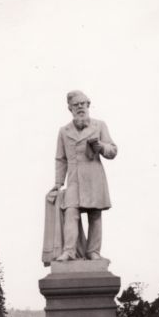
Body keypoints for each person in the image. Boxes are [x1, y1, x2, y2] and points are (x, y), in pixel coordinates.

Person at [49, 90, 117, 261]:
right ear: (70, 108)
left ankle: (93, 251)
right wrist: (58, 183)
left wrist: (101, 146)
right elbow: (60, 159)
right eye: (75, 105)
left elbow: (113, 150)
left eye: (82, 103)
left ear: (88, 105)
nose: (80, 107)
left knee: (95, 215)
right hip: (74, 178)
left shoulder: (99, 125)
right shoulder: (64, 131)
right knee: (71, 212)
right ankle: (69, 251)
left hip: (94, 175)